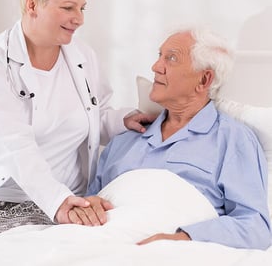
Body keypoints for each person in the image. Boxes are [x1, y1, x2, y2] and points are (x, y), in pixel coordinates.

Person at [0, 0, 154, 240]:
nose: (79, 19)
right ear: (32, 4)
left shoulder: (83, 56)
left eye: (83, 8)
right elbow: (12, 143)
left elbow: (95, 115)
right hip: (0, 198)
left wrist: (119, 121)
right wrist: (57, 202)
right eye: (68, 8)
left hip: (68, 197)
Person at [80, 27, 272, 250]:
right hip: (100, 244)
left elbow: (255, 227)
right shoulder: (125, 140)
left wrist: (181, 240)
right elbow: (89, 202)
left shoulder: (232, 140)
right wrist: (87, 206)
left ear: (204, 79)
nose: (155, 67)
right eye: (159, 56)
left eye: (171, 58)